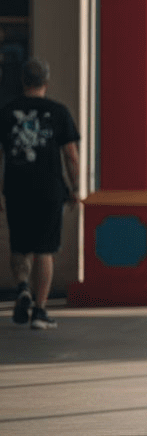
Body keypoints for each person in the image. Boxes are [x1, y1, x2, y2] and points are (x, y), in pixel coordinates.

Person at [2, 58, 79, 331]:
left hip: (16, 187)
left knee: (20, 246)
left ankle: (23, 286)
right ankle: (40, 310)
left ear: (23, 81)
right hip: (49, 190)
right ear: (46, 82)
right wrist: (76, 187)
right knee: (45, 250)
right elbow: (71, 156)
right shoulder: (58, 112)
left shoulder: (7, 112)